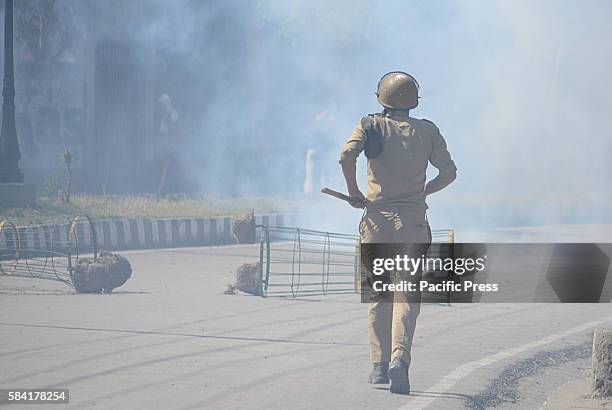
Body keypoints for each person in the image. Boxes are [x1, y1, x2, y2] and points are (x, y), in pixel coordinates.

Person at [338, 71, 457, 394]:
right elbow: (449, 172)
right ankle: (399, 359)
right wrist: (422, 193)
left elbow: (346, 156)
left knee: (379, 295)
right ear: (413, 100)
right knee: (407, 295)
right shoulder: (428, 131)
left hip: (376, 223)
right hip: (414, 225)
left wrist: (353, 192)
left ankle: (378, 366)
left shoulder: (369, 125)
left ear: (381, 97)